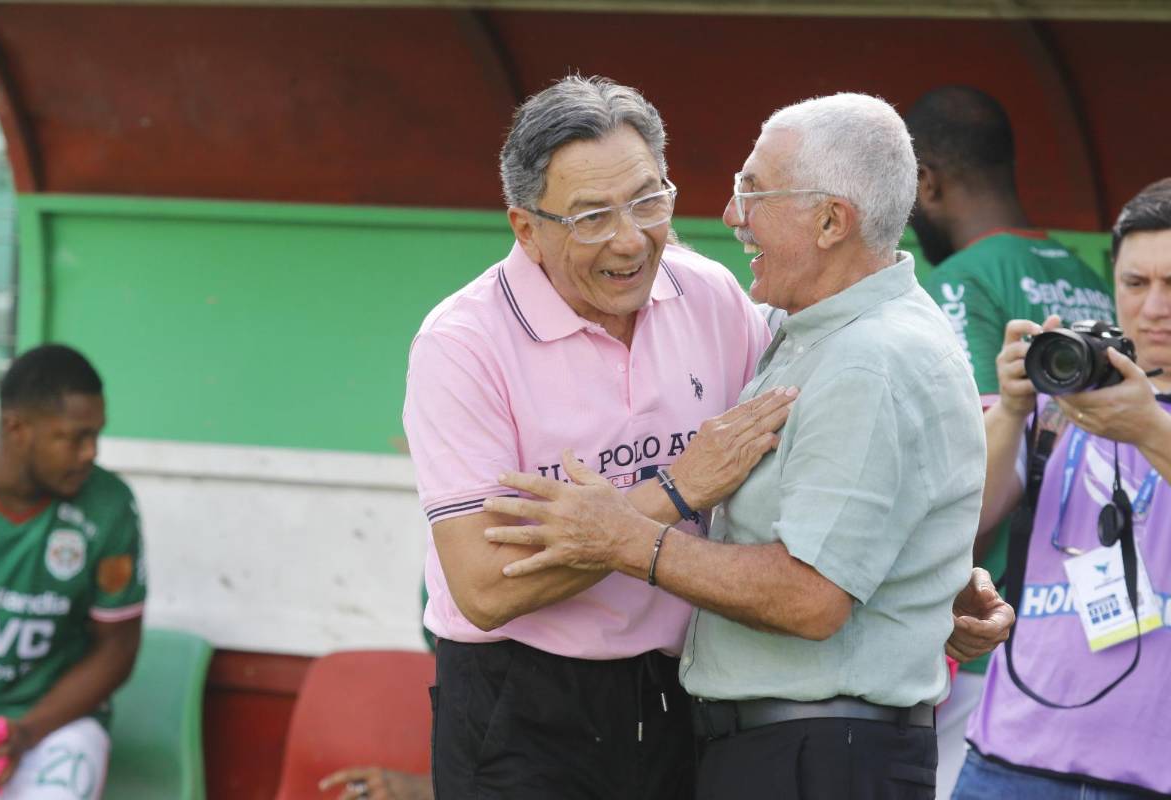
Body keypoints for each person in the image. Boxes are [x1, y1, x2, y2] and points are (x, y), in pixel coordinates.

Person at [404, 77, 1012, 800]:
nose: (630, 239)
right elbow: (481, 589)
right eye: (593, 215)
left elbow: (847, 466)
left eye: (649, 199)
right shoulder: (463, 342)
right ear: (526, 227)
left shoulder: (716, 297)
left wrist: (919, 578)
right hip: (521, 707)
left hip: (680, 700)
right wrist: (672, 493)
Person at [904, 85, 1119, 796]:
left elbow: (966, 471)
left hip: (991, 619)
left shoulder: (960, 281)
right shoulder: (1091, 276)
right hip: (1083, 614)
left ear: (926, 181)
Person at [952, 178, 1171, 798]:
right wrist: (1014, 411)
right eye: (1135, 284)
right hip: (1009, 756)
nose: (1153, 307)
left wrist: (1150, 427)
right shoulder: (1061, 399)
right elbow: (964, 525)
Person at [0, 344, 145, 800]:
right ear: (16, 427)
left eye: (97, 436)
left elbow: (118, 648)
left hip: (53, 727)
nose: (90, 452)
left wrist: (25, 732)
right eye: (74, 437)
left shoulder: (108, 506)